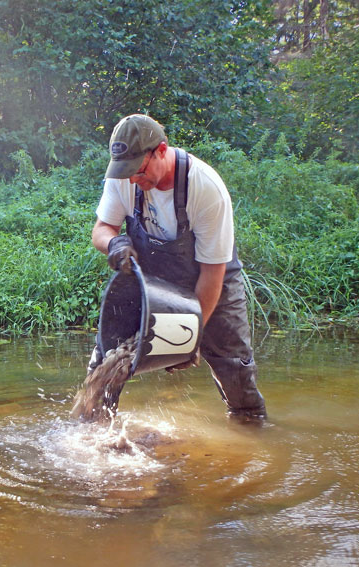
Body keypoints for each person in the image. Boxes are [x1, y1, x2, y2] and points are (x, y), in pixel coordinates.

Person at [89, 114, 267, 421]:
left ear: (161, 149)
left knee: (233, 370)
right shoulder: (122, 178)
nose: (132, 179)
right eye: (125, 171)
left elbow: (213, 273)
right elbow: (102, 229)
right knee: (106, 360)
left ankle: (251, 434)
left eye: (139, 170)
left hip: (212, 285)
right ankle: (92, 428)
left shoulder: (205, 187)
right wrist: (114, 244)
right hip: (151, 282)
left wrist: (190, 338)